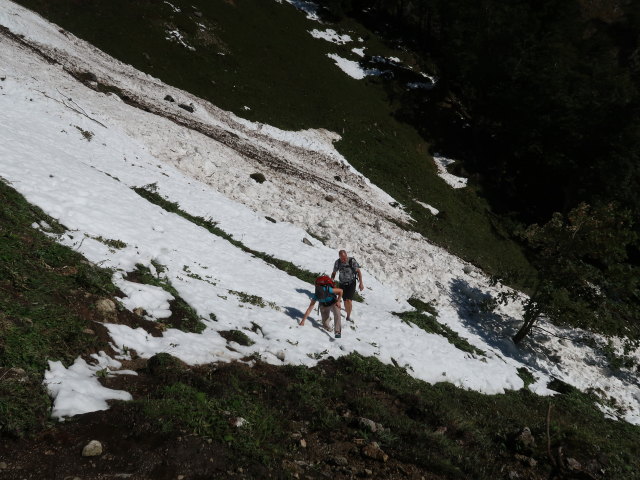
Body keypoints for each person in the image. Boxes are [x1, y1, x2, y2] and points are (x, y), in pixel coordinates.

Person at [331, 249, 364, 322]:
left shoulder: (351, 261)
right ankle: (347, 310)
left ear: (346, 255)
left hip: (351, 283)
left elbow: (358, 271)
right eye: (342, 258)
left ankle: (348, 316)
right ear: (339, 257)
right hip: (342, 284)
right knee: (345, 300)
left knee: (349, 300)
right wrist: (331, 281)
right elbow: (334, 272)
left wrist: (361, 283)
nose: (344, 259)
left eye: (345, 257)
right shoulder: (337, 262)